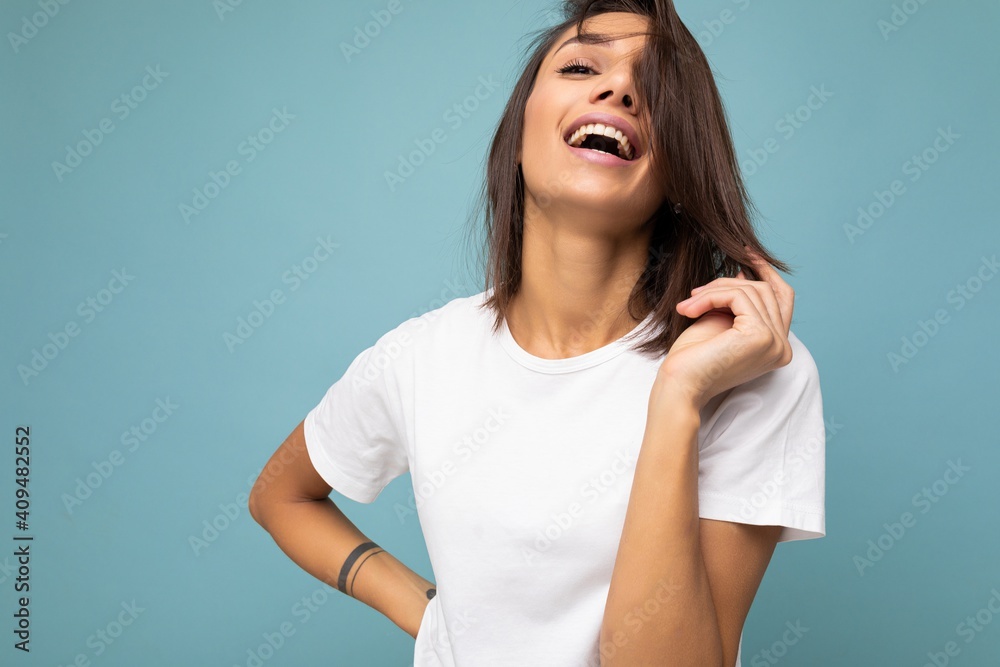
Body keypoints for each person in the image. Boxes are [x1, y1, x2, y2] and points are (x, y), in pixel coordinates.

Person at [248, 1, 826, 665]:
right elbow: (279, 496)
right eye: (582, 66)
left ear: (680, 168)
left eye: (655, 86)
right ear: (518, 131)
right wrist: (429, 613)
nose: (618, 88)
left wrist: (677, 398)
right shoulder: (422, 356)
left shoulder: (749, 370)